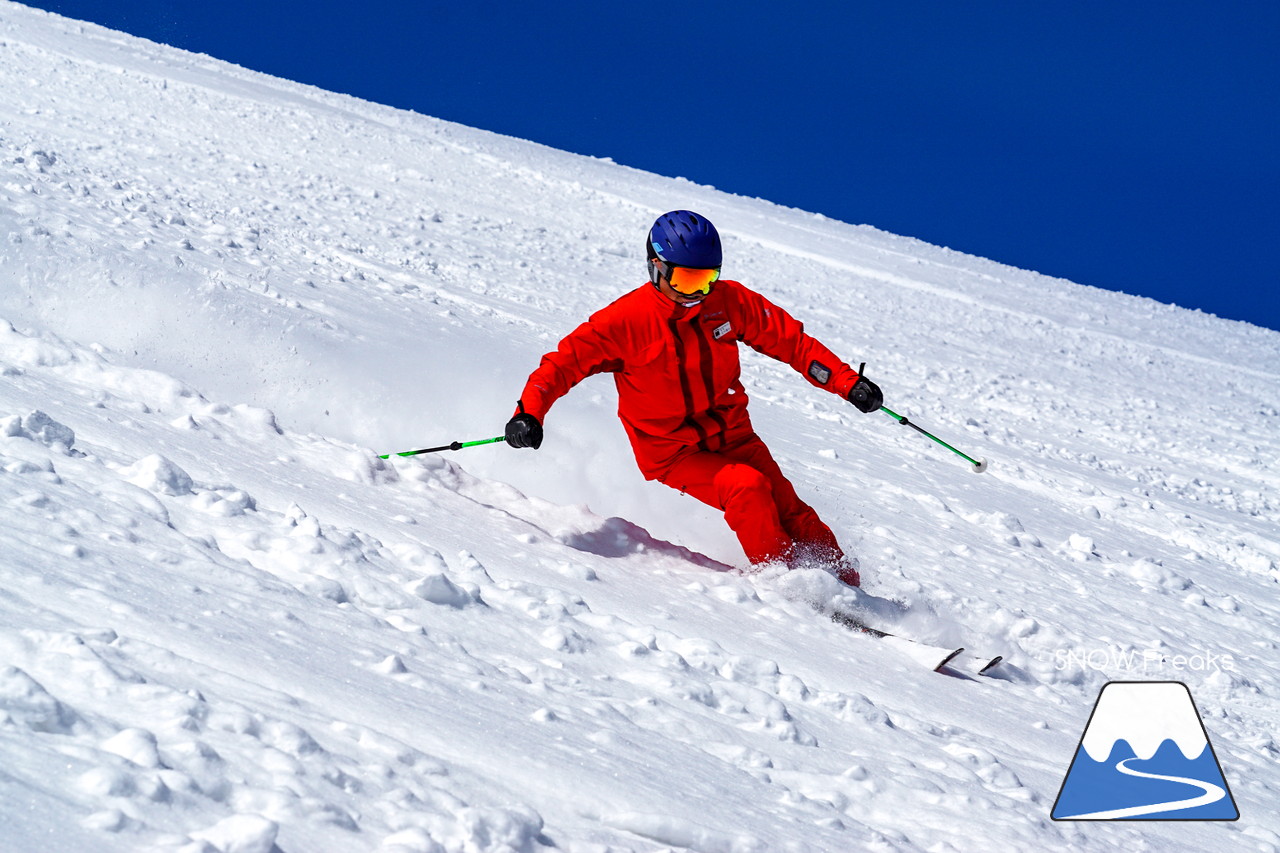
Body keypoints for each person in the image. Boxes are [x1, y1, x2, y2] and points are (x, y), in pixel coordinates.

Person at [504, 210, 882, 585]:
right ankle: (789, 583)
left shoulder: (726, 301)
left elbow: (791, 341)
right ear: (656, 267)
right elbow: (561, 366)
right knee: (747, 488)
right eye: (686, 280)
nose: (698, 292)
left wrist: (847, 383)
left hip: (733, 433)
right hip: (673, 450)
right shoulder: (624, 322)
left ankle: (850, 592)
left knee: (794, 514)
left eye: (707, 278)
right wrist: (529, 414)